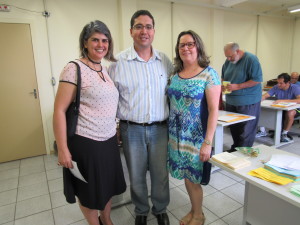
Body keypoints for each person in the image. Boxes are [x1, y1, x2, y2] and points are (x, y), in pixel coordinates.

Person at [53, 20, 126, 225]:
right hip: (86, 142)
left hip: (109, 141)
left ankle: (107, 219)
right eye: (95, 40)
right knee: (88, 190)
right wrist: (62, 149)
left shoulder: (104, 70)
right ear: (85, 43)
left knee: (108, 186)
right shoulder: (73, 68)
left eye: (105, 40)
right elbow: (59, 110)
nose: (101, 44)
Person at [108, 10, 173, 225]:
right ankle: (142, 211)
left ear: (154, 31)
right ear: (131, 31)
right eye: (139, 26)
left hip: (160, 128)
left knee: (160, 173)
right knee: (136, 175)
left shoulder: (165, 61)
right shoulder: (117, 63)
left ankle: (161, 208)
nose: (144, 31)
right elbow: (110, 99)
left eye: (148, 26)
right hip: (131, 129)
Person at [168, 30, 221, 225]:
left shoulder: (209, 74)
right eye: (182, 45)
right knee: (186, 177)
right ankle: (193, 211)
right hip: (176, 136)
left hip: (196, 137)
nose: (186, 48)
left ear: (197, 46)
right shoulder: (176, 74)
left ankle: (199, 215)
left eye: (190, 44)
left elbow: (214, 109)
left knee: (194, 178)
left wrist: (208, 142)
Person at [222, 42, 263, 152]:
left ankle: (244, 152)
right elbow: (224, 77)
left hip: (248, 101)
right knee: (234, 128)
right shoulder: (228, 61)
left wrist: (238, 86)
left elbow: (257, 80)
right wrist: (222, 90)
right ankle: (236, 148)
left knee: (246, 130)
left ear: (238, 51)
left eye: (231, 56)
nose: (229, 59)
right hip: (231, 100)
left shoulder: (251, 59)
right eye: (227, 56)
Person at [261, 73, 300, 142]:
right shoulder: (276, 87)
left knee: (290, 113)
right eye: (278, 82)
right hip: (281, 108)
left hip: (296, 109)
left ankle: (284, 134)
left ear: (288, 82)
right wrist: (259, 99)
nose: (278, 85)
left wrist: (282, 100)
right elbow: (266, 95)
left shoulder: (295, 88)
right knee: (264, 109)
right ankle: (262, 130)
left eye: (281, 83)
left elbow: (299, 100)